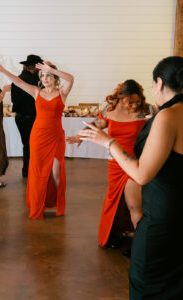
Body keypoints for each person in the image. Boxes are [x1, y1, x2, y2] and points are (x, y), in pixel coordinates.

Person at [78, 56, 183, 299]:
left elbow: (142, 173)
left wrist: (109, 143)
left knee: (147, 284)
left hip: (162, 217)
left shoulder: (167, 116)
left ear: (159, 82)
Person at [67, 80, 151, 251]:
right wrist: (79, 137)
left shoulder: (146, 111)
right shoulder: (110, 110)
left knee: (135, 205)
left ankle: (144, 247)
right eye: (130, 102)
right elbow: (95, 126)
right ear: (121, 98)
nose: (135, 106)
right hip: (115, 164)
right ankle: (117, 233)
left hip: (134, 163)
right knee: (117, 202)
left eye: (138, 101)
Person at [0, 53, 74, 219]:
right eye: (42, 75)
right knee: (37, 173)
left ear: (55, 77)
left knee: (56, 173)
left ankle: (57, 203)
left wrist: (52, 68)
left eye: (48, 75)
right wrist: (3, 70)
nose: (45, 78)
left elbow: (71, 79)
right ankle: (37, 206)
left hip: (56, 138)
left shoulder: (62, 93)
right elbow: (19, 82)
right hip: (38, 137)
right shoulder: (36, 92)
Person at [11, 54, 43, 178]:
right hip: (33, 117)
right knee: (34, 145)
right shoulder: (36, 81)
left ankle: (27, 170)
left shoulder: (17, 79)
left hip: (20, 117)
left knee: (27, 144)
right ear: (34, 67)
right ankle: (32, 170)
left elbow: (14, 100)